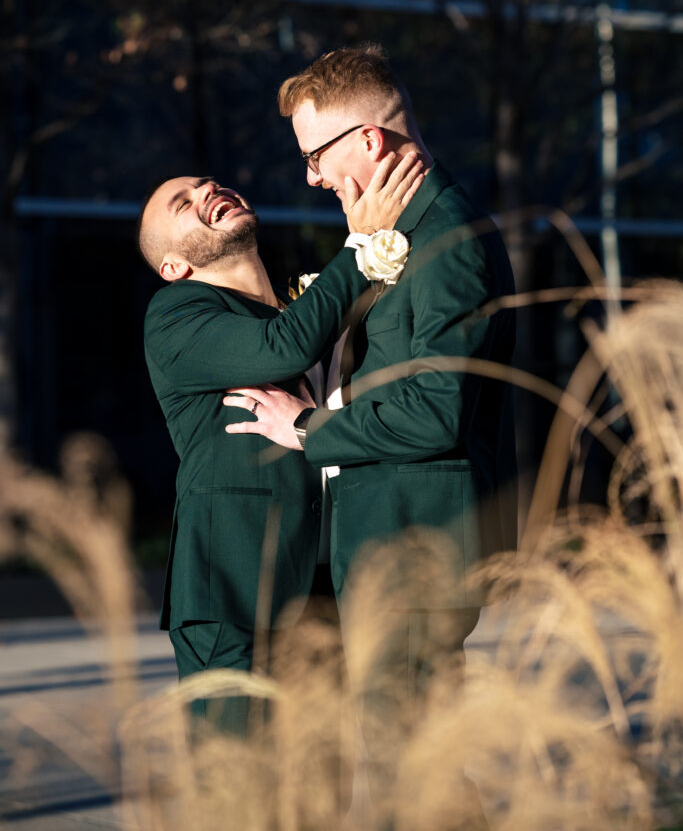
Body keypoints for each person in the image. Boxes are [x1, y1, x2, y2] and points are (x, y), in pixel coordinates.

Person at [224, 43, 517, 702]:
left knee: (402, 767)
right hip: (388, 542)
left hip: (414, 548)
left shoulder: (447, 239)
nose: (311, 178)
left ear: (368, 141)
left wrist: (307, 427)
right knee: (408, 766)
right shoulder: (397, 230)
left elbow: (438, 407)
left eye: (313, 156)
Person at [137, 158, 423, 734]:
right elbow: (281, 349)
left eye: (207, 183)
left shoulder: (305, 310)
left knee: (320, 794)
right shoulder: (175, 315)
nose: (206, 189)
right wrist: (364, 242)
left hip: (323, 598)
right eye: (182, 201)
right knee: (241, 796)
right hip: (232, 598)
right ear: (174, 264)